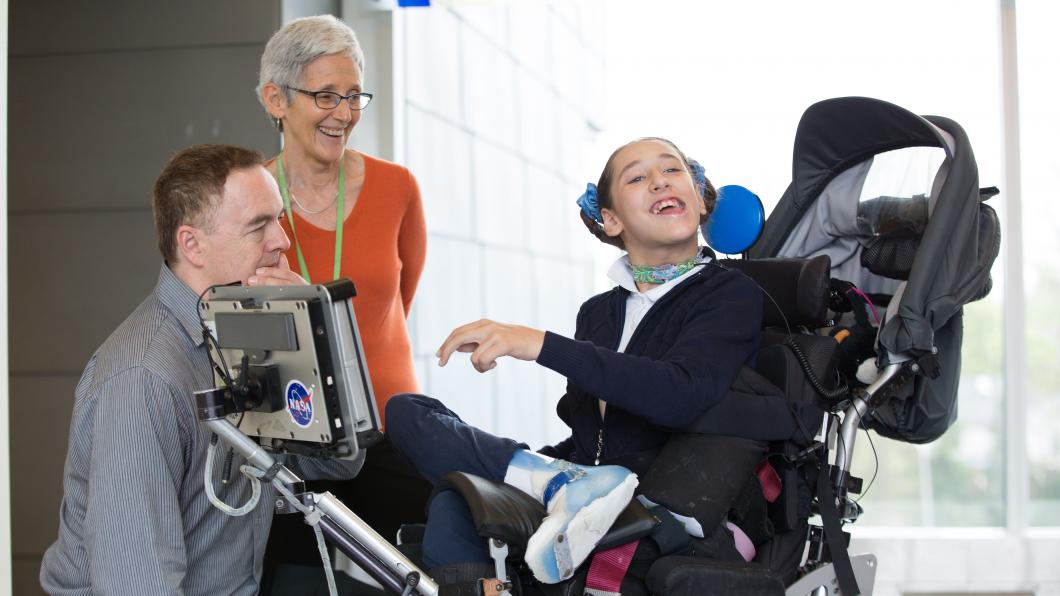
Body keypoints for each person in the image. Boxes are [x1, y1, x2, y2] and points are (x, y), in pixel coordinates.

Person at [385, 137, 765, 588]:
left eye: (672, 170)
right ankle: (560, 482)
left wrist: (541, 345)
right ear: (610, 220)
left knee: (464, 497)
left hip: (661, 505)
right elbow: (592, 437)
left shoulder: (730, 294)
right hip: (586, 489)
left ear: (700, 199)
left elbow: (679, 394)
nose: (660, 181)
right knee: (415, 428)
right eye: (639, 177)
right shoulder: (600, 312)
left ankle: (563, 485)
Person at [39, 144, 359, 595]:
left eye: (279, 218)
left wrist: (312, 335)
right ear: (192, 244)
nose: (282, 241)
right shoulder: (143, 379)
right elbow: (138, 585)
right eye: (258, 225)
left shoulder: (244, 332)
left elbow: (340, 461)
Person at [253, 13, 432, 576]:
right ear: (276, 99)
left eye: (354, 96)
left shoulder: (397, 187)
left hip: (391, 427)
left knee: (413, 579)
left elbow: (396, 301)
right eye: (326, 96)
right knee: (295, 581)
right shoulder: (248, 200)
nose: (345, 114)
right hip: (297, 438)